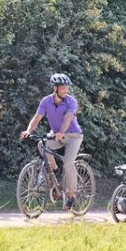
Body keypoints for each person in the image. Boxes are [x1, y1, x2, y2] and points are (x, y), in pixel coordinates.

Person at [20, 73, 83, 211]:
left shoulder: (71, 101)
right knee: (42, 144)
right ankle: (54, 168)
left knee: (68, 163)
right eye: (63, 88)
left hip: (73, 136)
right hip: (56, 136)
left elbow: (68, 118)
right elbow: (37, 118)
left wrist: (61, 132)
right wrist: (28, 131)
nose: (66, 90)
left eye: (67, 87)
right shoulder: (46, 101)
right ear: (55, 88)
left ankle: (72, 196)